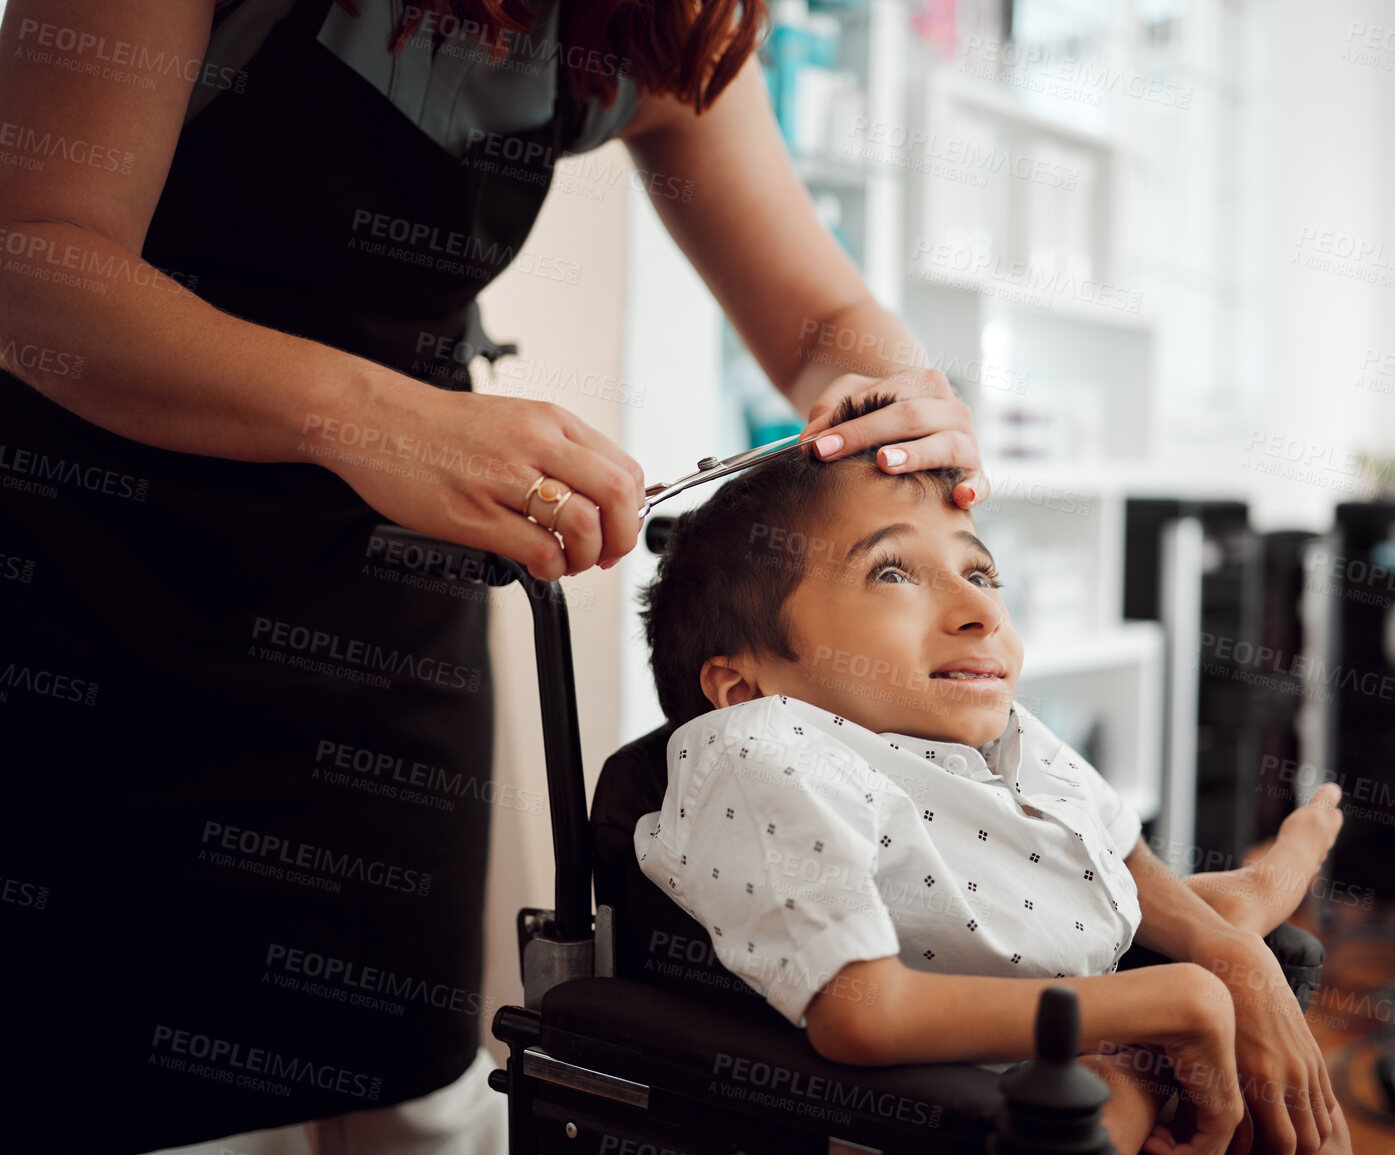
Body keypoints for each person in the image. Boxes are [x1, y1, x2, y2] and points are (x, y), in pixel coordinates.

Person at [0, 1, 985, 1150]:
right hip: (100, 587)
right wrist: (374, 420)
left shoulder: (661, 31)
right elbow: (32, 260)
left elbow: (821, 318)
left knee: (402, 1063)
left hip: (381, 610)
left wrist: (895, 386)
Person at [634, 395, 1354, 1155]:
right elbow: (860, 1011)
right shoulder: (760, 748)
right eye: (890, 571)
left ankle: (1252, 889)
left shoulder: (986, 723)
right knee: (1126, 1091)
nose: (978, 604)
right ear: (745, 688)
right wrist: (1164, 1001)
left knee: (1200, 930)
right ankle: (1239, 908)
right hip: (1014, 1068)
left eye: (979, 569)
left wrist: (1225, 960)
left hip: (1083, 945)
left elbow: (1121, 858)